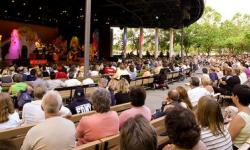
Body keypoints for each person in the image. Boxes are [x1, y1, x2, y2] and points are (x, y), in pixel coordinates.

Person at [228, 85, 250, 149]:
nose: (231, 97)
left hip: (234, 146)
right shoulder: (247, 111)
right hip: (242, 143)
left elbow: (228, 139)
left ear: (237, 98)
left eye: (232, 95)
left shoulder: (240, 117)